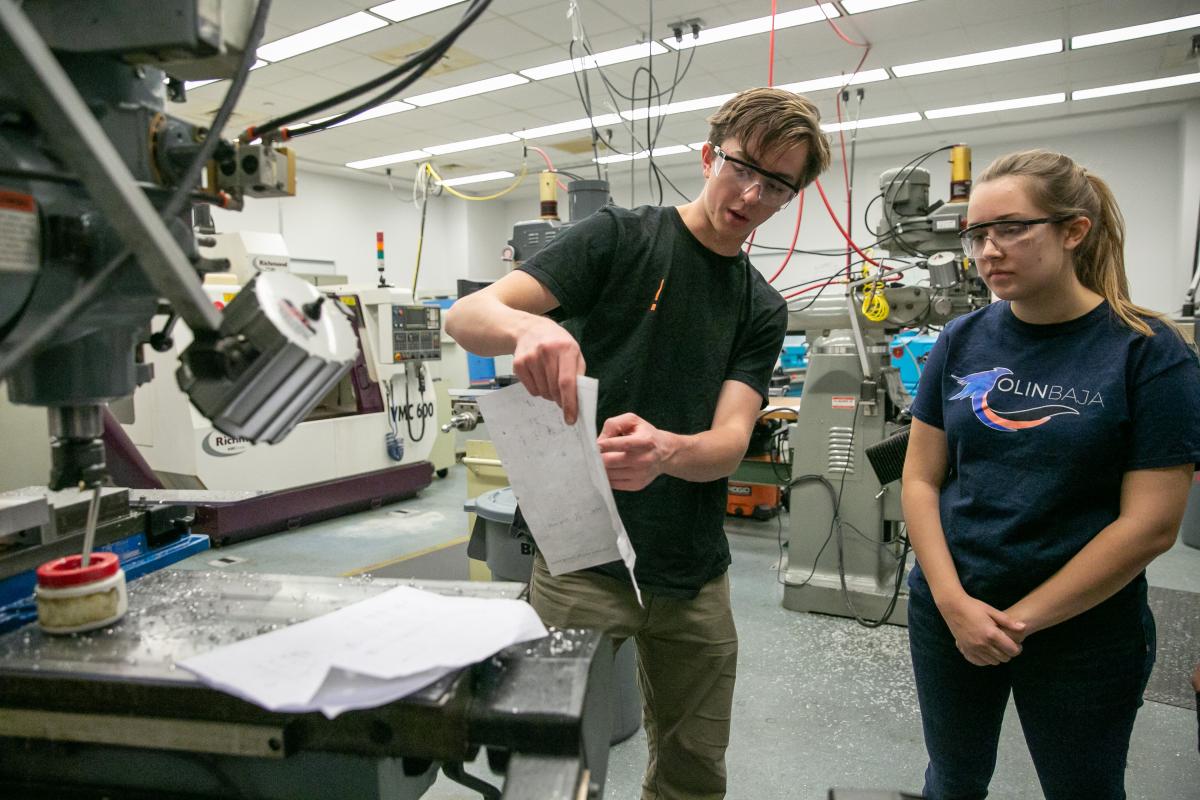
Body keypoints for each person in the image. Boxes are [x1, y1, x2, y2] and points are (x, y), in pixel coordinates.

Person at [445, 87, 830, 799]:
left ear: (790, 195)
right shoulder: (620, 239)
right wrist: (530, 329)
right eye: (741, 167)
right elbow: (470, 315)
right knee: (546, 767)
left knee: (694, 772)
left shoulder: (761, 307)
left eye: (775, 184)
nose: (750, 192)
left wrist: (666, 453)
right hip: (582, 554)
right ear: (710, 153)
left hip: (691, 572)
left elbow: (730, 439)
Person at [901, 148, 1200, 800]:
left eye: (1010, 228)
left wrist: (1019, 624)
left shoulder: (1149, 351)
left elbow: (1149, 526)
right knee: (951, 781)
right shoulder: (960, 340)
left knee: (1082, 787)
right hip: (952, 608)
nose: (987, 251)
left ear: (1073, 231)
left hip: (1081, 627)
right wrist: (954, 606)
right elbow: (920, 480)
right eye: (976, 234)